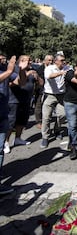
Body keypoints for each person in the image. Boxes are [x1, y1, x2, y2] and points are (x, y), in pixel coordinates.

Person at [0, 54, 28, 194]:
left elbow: (20, 82)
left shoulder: (5, 69)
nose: (3, 60)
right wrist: (9, 71)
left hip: (2, 114)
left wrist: (22, 71)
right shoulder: (7, 70)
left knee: (0, 150)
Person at [4, 56, 39, 153]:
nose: (30, 62)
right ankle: (6, 142)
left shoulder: (32, 69)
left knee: (22, 121)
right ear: (22, 61)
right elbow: (15, 83)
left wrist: (37, 76)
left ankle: (18, 139)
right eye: (28, 60)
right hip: (14, 100)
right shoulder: (13, 69)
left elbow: (38, 83)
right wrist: (26, 73)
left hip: (26, 100)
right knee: (11, 122)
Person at [40, 54, 67, 148]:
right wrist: (60, 73)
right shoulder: (49, 68)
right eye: (62, 60)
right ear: (56, 61)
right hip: (50, 95)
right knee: (46, 117)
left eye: (64, 60)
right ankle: (45, 137)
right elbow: (49, 76)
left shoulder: (66, 68)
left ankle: (57, 130)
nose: (64, 61)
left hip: (61, 95)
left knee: (63, 114)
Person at [63, 61, 77, 160]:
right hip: (71, 103)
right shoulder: (70, 73)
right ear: (76, 66)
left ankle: (74, 142)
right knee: (72, 125)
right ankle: (73, 146)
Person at [33, 54, 52, 129]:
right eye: (49, 60)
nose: (51, 62)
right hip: (41, 90)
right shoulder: (40, 69)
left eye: (52, 60)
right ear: (45, 61)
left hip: (49, 90)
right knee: (38, 106)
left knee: (47, 106)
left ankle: (45, 120)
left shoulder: (52, 68)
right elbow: (39, 81)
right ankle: (38, 121)